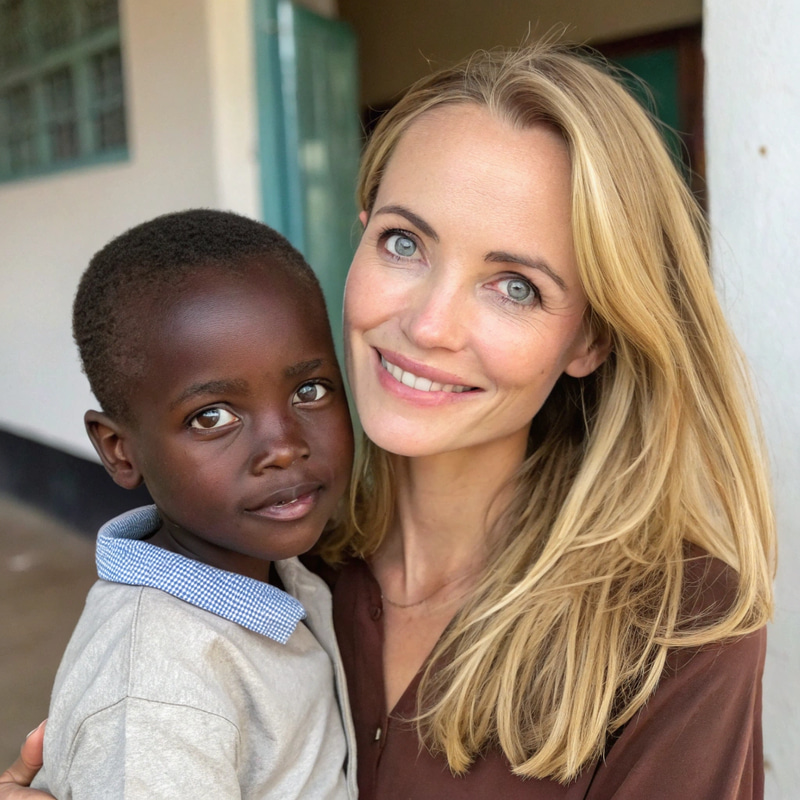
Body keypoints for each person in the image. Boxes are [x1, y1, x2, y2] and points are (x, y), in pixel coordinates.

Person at [2, 41, 775, 799]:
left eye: (515, 287)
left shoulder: (677, 632)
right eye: (404, 243)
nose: (430, 325)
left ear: (592, 337)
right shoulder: (283, 559)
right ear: (361, 234)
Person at [25, 209, 357, 798]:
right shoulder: (159, 697)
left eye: (310, 391)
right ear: (120, 450)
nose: (284, 447)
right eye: (212, 417)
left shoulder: (274, 570)